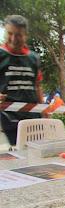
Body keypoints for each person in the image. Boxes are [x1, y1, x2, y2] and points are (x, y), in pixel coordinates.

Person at [0, 15, 44, 146]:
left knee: (37, 151)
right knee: (18, 152)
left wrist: (44, 110)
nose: (13, 39)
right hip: (9, 115)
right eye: (10, 33)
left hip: (33, 115)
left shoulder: (34, 58)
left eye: (18, 35)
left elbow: (37, 86)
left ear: (25, 35)